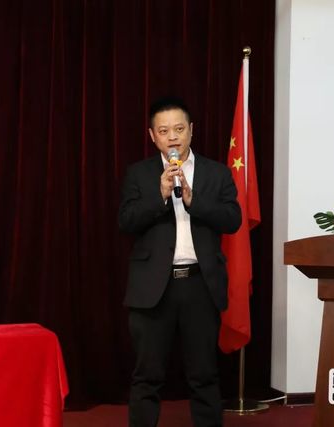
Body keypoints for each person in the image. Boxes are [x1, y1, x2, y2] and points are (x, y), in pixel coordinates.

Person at [118, 96, 241, 427]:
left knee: (204, 374)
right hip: (152, 288)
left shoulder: (216, 173)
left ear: (191, 130)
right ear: (152, 135)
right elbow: (126, 221)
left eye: (178, 129)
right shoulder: (139, 174)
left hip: (200, 285)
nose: (172, 137)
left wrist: (192, 199)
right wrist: (159, 195)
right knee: (147, 375)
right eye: (163, 131)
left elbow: (232, 219)